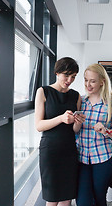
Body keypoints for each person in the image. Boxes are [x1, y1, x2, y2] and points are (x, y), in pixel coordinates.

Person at [34, 57, 85, 206]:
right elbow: (39, 125)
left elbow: (75, 131)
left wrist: (78, 123)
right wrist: (61, 119)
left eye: (73, 77)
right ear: (57, 72)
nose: (69, 80)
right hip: (50, 150)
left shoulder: (76, 96)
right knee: (52, 198)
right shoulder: (43, 92)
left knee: (66, 198)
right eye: (66, 75)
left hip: (69, 150)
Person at [76, 63, 112, 206]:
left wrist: (106, 131)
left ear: (102, 81)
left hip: (103, 158)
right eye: (85, 80)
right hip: (82, 157)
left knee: (99, 198)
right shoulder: (81, 101)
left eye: (92, 81)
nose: (88, 84)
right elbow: (75, 130)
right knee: (82, 201)